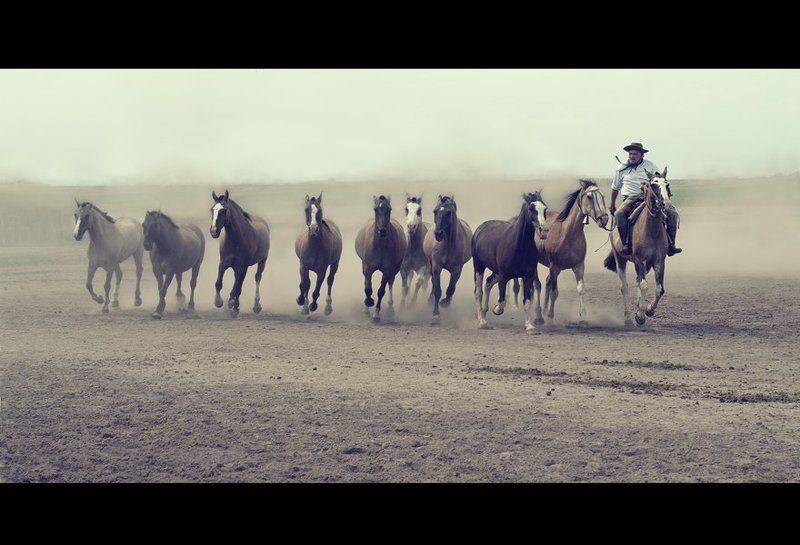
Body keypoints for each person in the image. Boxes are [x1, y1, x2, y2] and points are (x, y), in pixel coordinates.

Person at [609, 142, 681, 256]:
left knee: (672, 213)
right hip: (630, 198)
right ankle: (626, 244)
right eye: (630, 154)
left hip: (650, 197)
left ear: (642, 155)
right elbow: (615, 187)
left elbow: (659, 180)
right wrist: (612, 204)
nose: (632, 156)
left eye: (635, 154)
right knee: (619, 214)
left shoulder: (650, 166)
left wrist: (649, 186)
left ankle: (671, 245)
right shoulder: (621, 169)